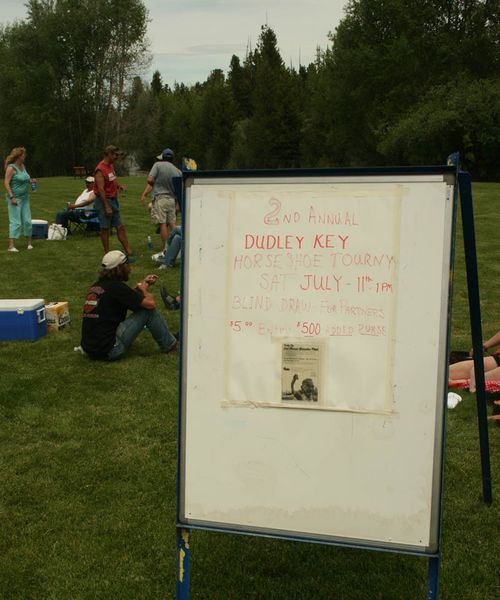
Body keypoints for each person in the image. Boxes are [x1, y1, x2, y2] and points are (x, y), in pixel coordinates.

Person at [80, 250, 177, 360]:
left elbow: (127, 295)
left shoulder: (97, 286)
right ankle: (170, 346)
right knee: (148, 312)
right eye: (126, 265)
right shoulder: (117, 288)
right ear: (118, 269)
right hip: (110, 350)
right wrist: (144, 290)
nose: (129, 268)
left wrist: (143, 283)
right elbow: (151, 304)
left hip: (89, 348)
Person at [93, 145, 134, 258]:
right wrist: (106, 206)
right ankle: (107, 254)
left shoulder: (110, 166)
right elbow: (101, 190)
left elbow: (112, 180)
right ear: (109, 154)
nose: (117, 157)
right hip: (104, 202)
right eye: (115, 155)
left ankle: (128, 251)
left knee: (120, 226)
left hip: (114, 201)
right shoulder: (100, 169)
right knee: (105, 229)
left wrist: (119, 187)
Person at [140, 148, 181, 249]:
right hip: (172, 200)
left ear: (163, 157)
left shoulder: (157, 165)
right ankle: (178, 246)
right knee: (173, 224)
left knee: (162, 224)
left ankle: (166, 247)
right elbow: (179, 189)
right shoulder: (177, 171)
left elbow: (150, 179)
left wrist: (156, 185)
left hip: (160, 198)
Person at [4, 146, 36, 252]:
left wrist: (31, 181)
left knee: (27, 221)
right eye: (23, 155)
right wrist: (12, 197)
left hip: (25, 198)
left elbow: (25, 178)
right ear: (18, 156)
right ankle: (11, 246)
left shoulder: (23, 166)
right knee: (16, 222)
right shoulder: (11, 168)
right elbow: (6, 183)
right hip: (15, 199)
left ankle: (30, 244)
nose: (25, 157)